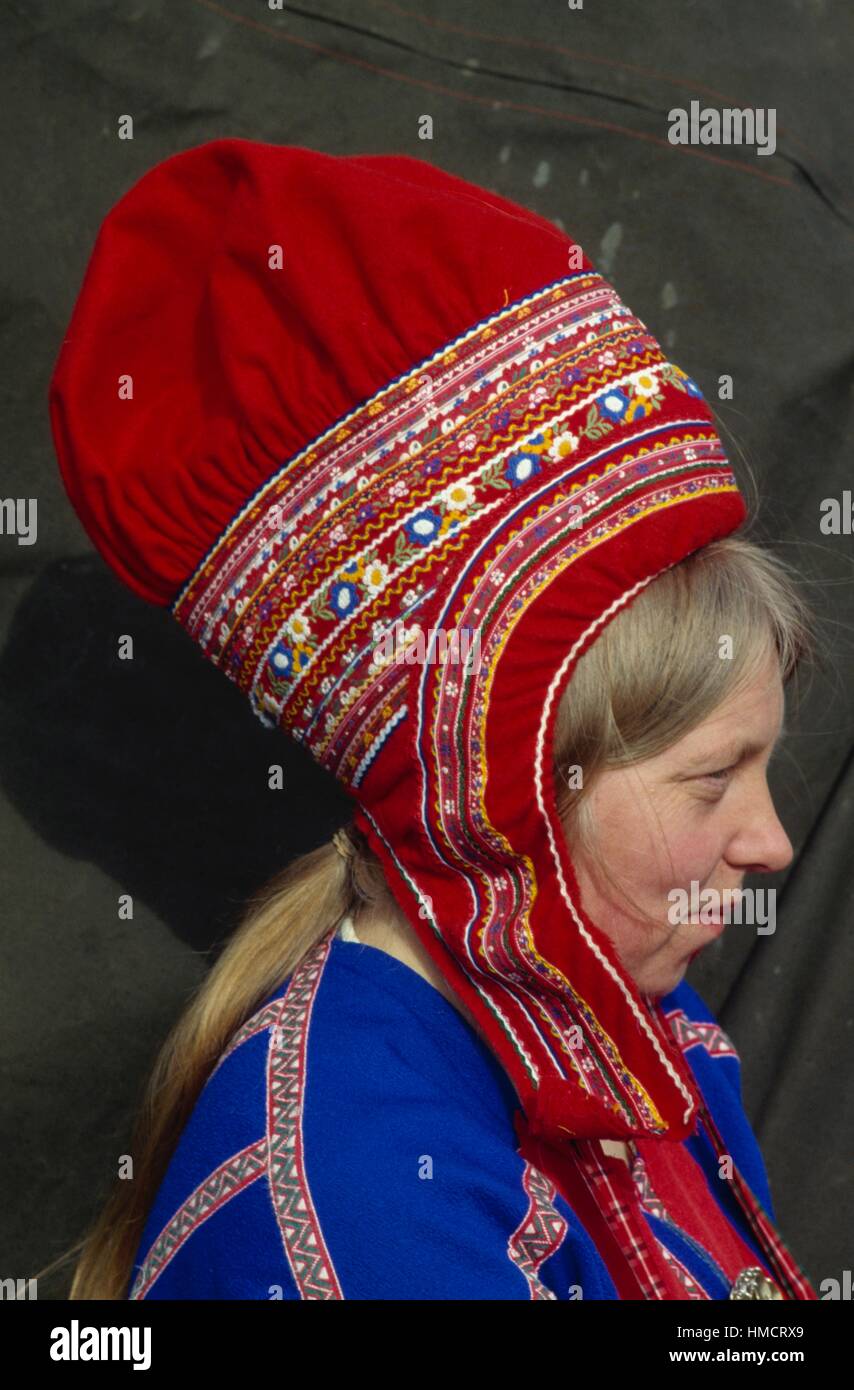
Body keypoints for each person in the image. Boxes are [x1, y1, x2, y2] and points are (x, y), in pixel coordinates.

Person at [46, 138, 818, 1300]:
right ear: (492, 799)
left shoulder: (634, 1030)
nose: (771, 841)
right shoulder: (365, 1220)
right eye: (711, 781)